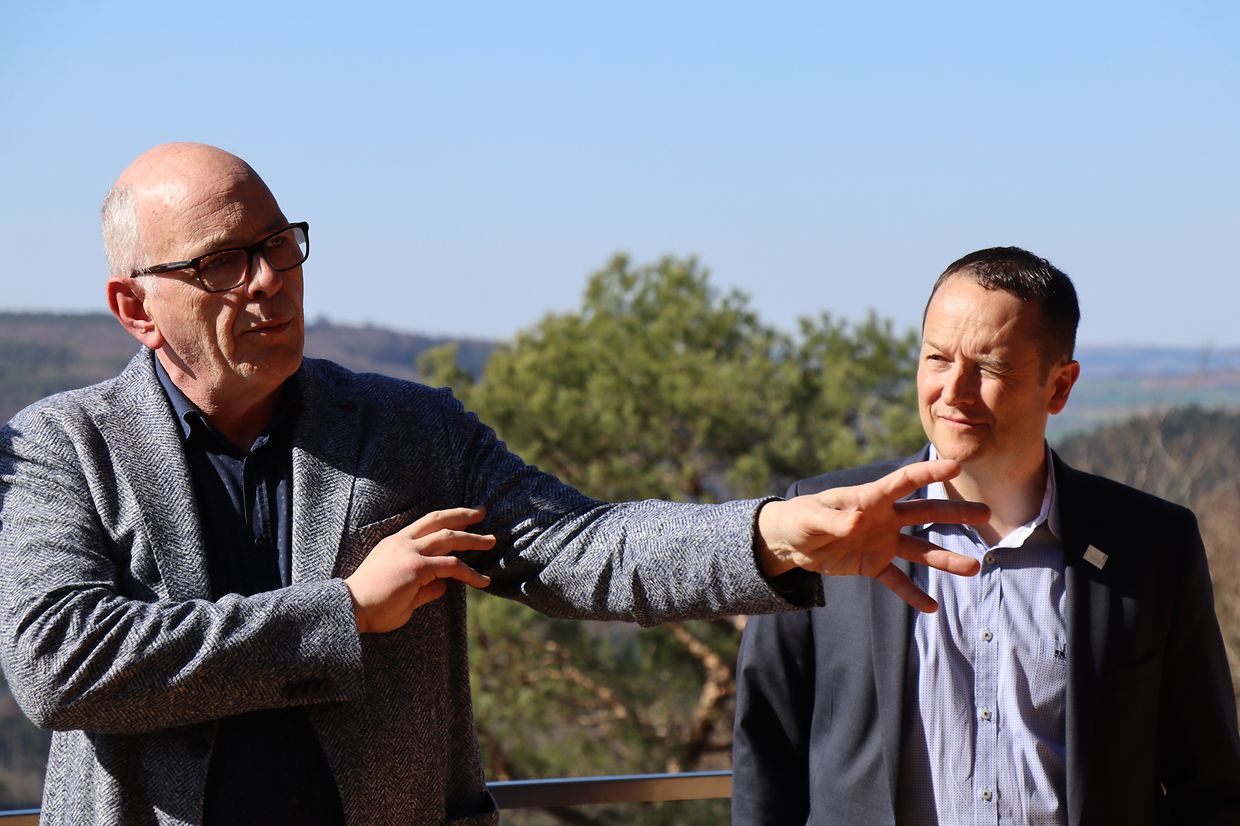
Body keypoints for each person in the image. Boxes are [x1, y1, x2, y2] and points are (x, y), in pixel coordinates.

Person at [0, 143, 986, 826]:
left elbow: (585, 548)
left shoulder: (409, 428)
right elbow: (59, 662)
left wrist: (768, 536)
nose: (269, 279)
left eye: (276, 243)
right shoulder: (62, 447)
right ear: (135, 306)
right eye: (223, 261)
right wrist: (344, 611)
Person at [732, 246, 1240, 825]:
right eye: (937, 358)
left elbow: (1209, 782)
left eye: (990, 368)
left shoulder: (1153, 545)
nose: (954, 390)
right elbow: (765, 753)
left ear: (1060, 387)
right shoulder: (823, 520)